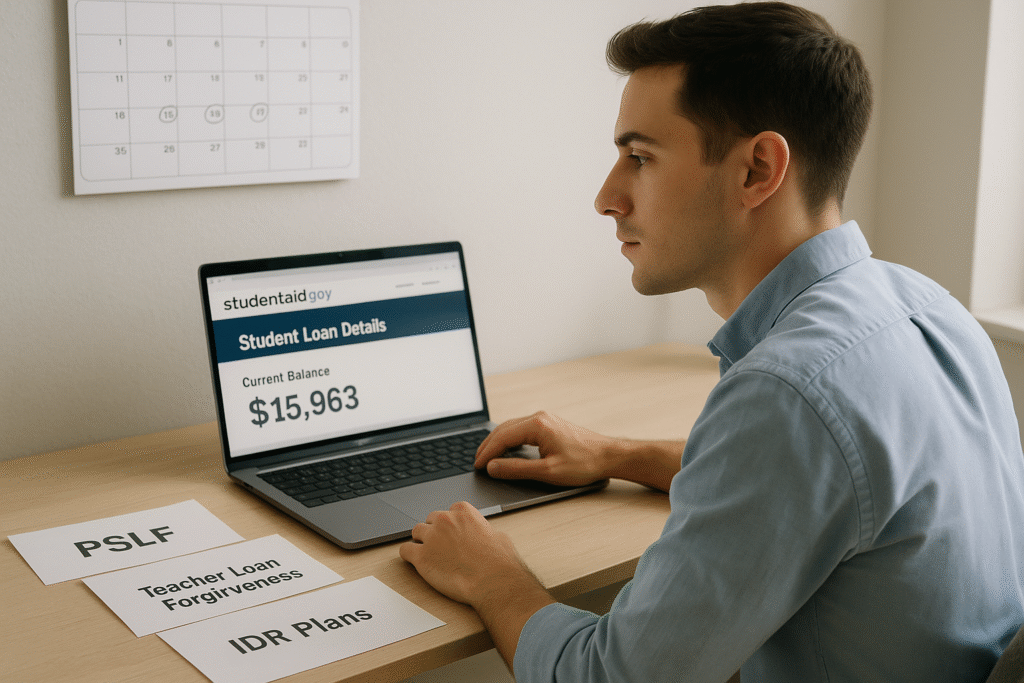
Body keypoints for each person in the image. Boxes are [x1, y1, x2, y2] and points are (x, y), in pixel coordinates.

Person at [398, 3, 1024, 681]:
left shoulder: (789, 393)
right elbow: (819, 484)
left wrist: (494, 576)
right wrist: (616, 454)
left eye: (640, 157)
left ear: (758, 169)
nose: (607, 197)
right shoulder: (928, 306)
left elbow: (607, 677)